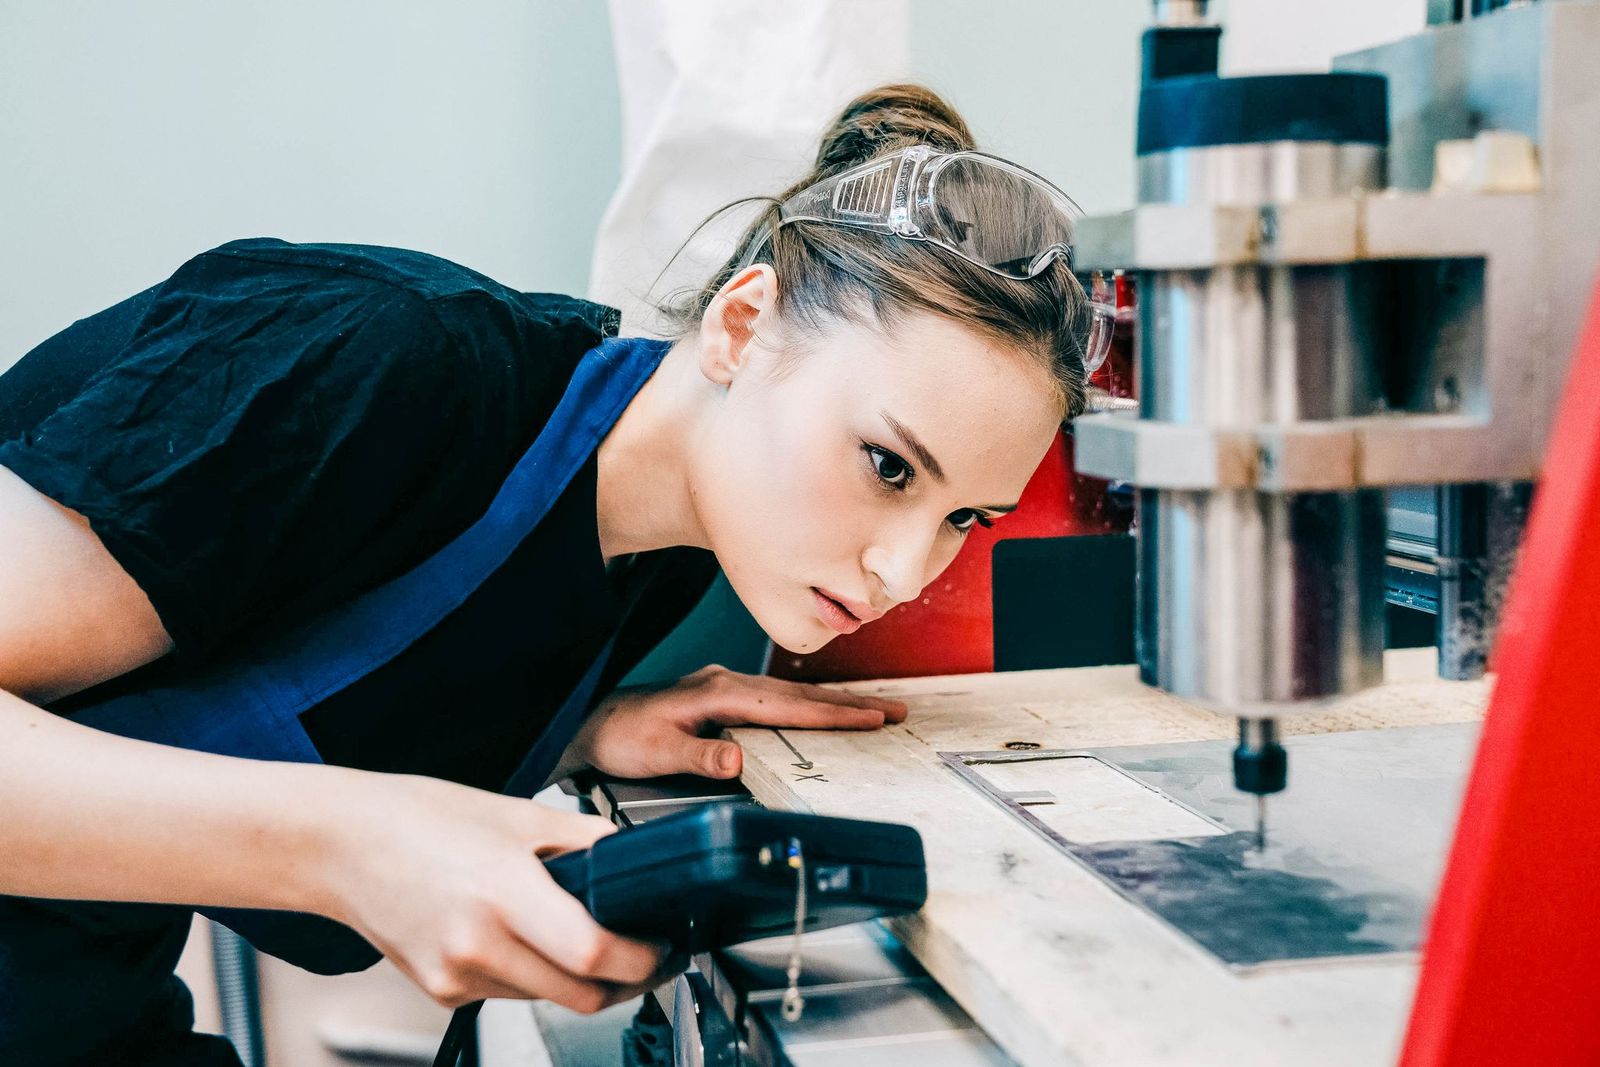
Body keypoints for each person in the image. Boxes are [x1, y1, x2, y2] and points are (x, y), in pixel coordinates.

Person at [0, 84, 1097, 1064]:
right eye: (887, 465)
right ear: (742, 326)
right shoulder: (377, 354)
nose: (903, 569)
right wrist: (348, 847)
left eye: (965, 516)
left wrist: (570, 733)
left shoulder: (665, 562)